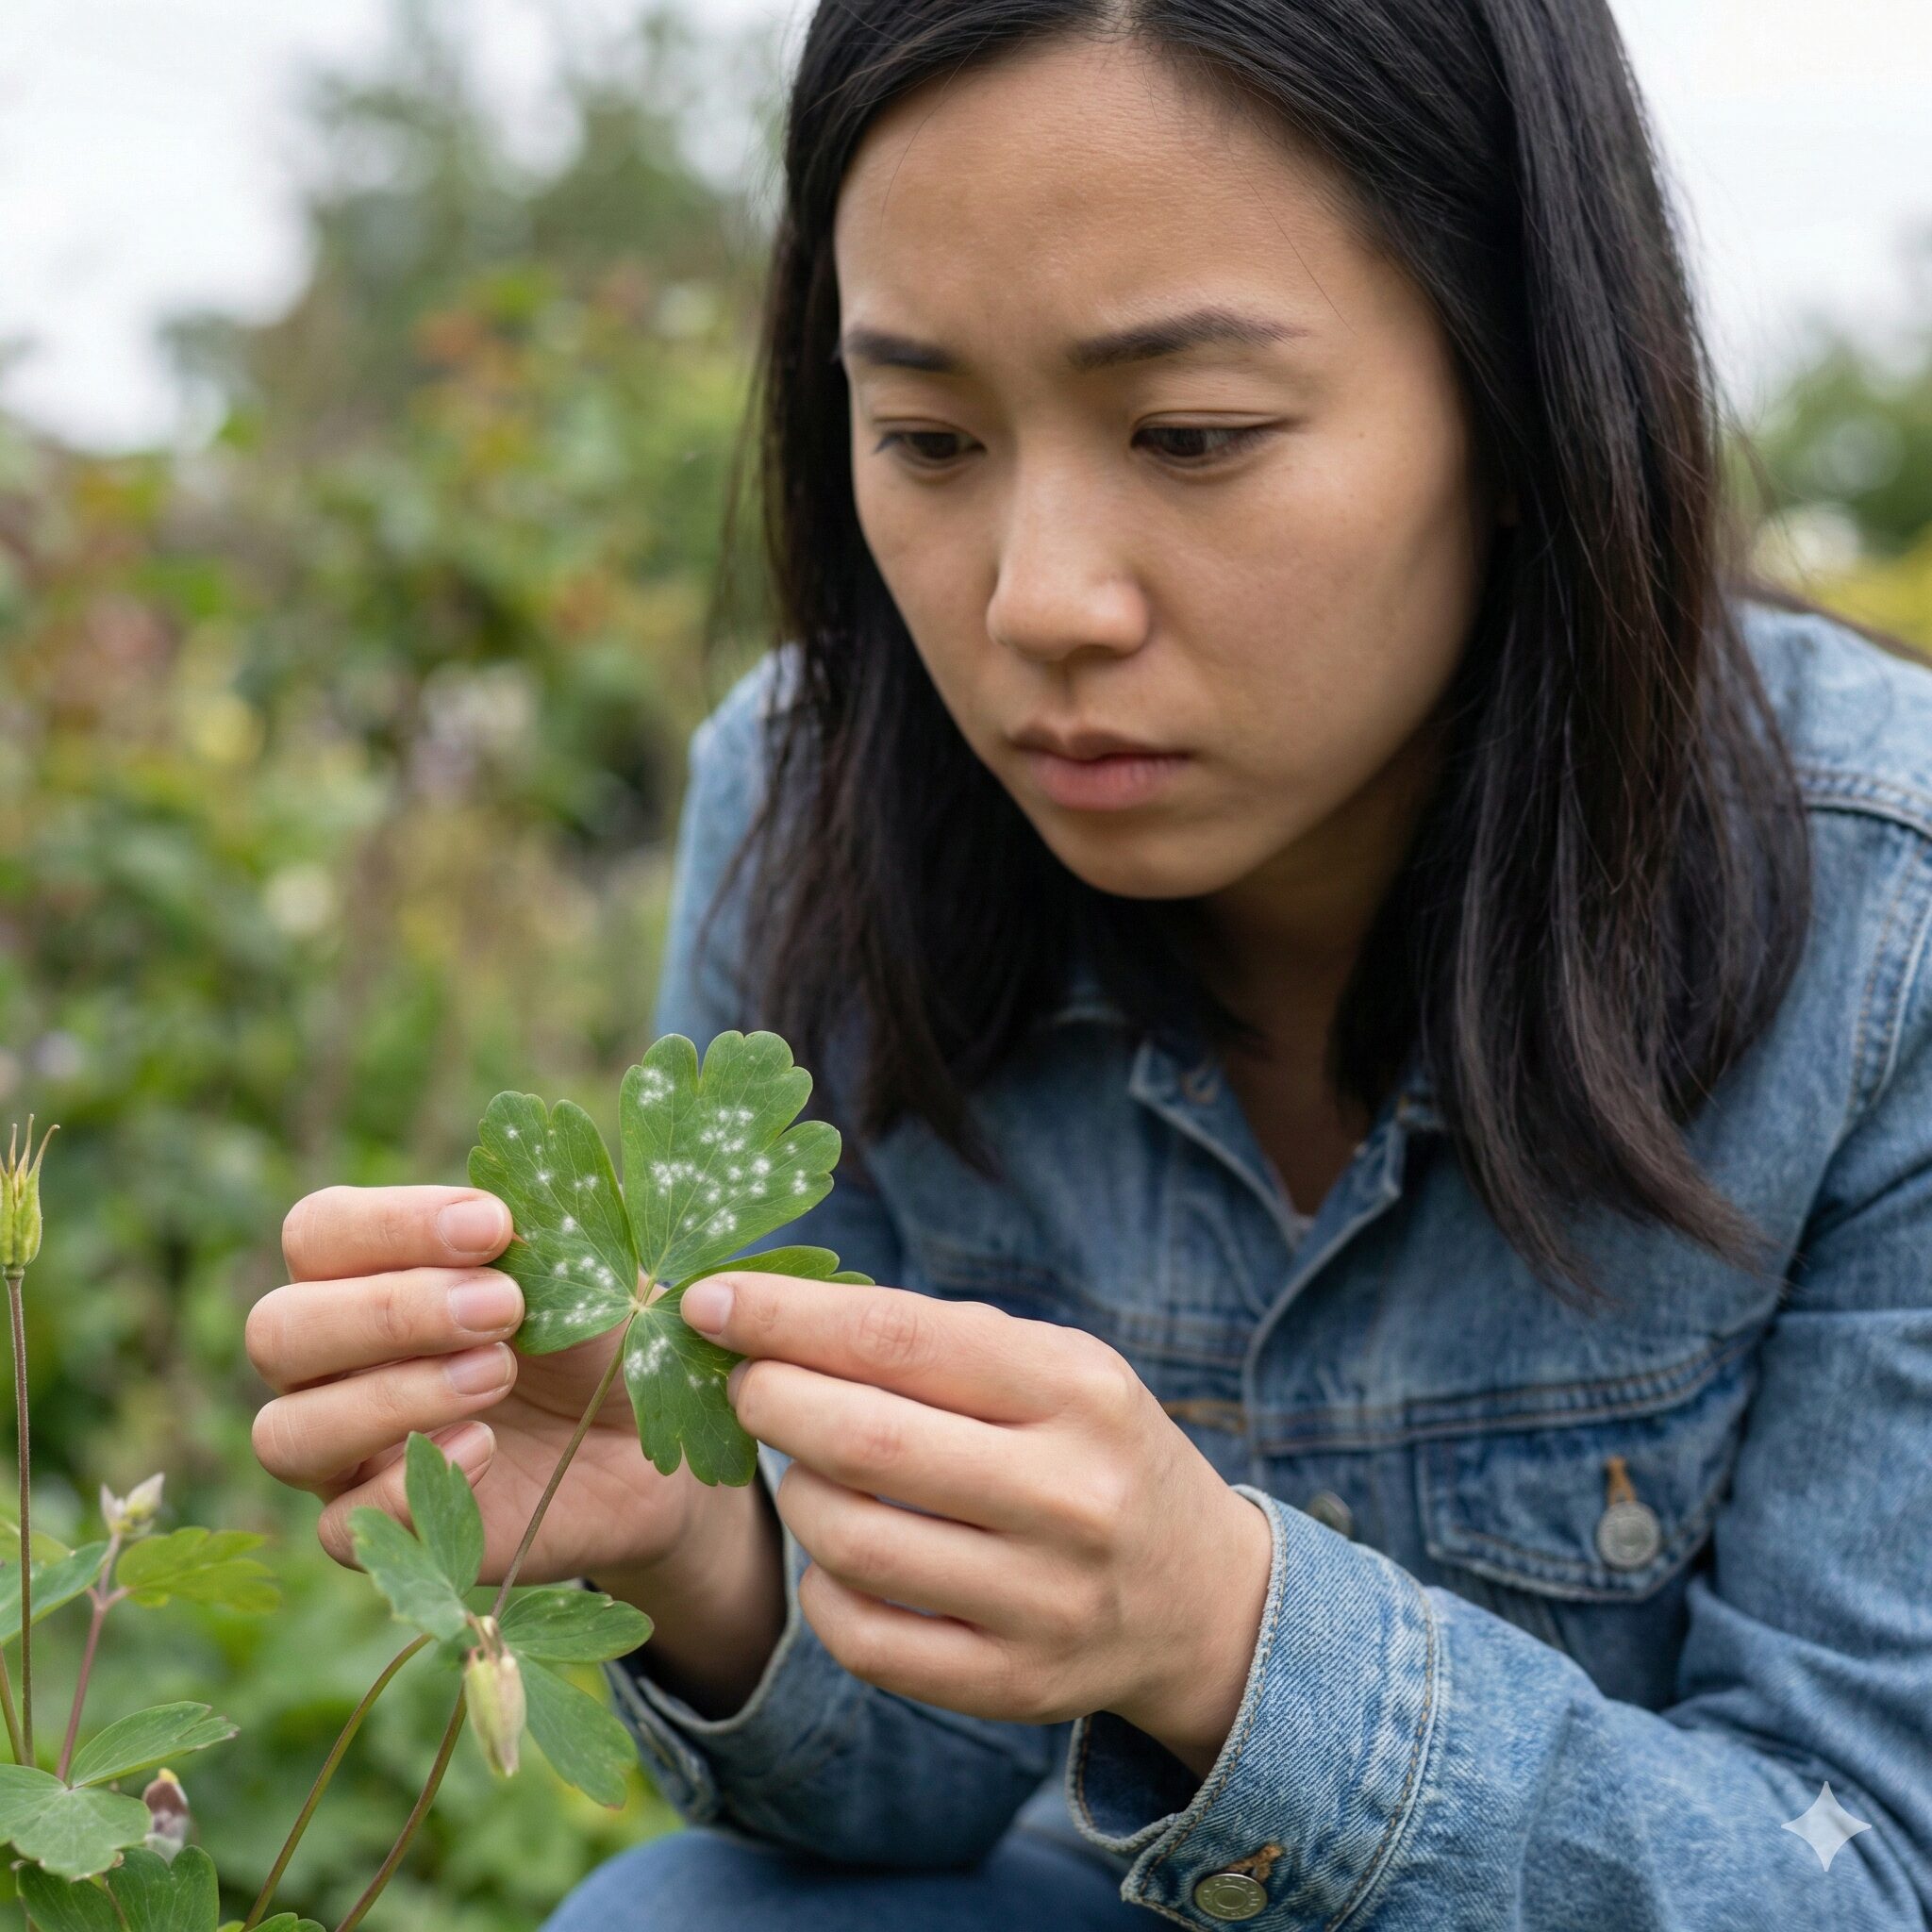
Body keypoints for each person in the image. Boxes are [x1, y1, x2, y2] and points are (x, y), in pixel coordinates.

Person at [248, 3, 1932, 1927]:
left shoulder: (1889, 920)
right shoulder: (816, 809)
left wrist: (1222, 1636)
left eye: (1192, 434)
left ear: (1524, 391)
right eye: (928, 436)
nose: (1038, 600)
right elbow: (913, 1795)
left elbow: (1868, 1872)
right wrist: (702, 1558)